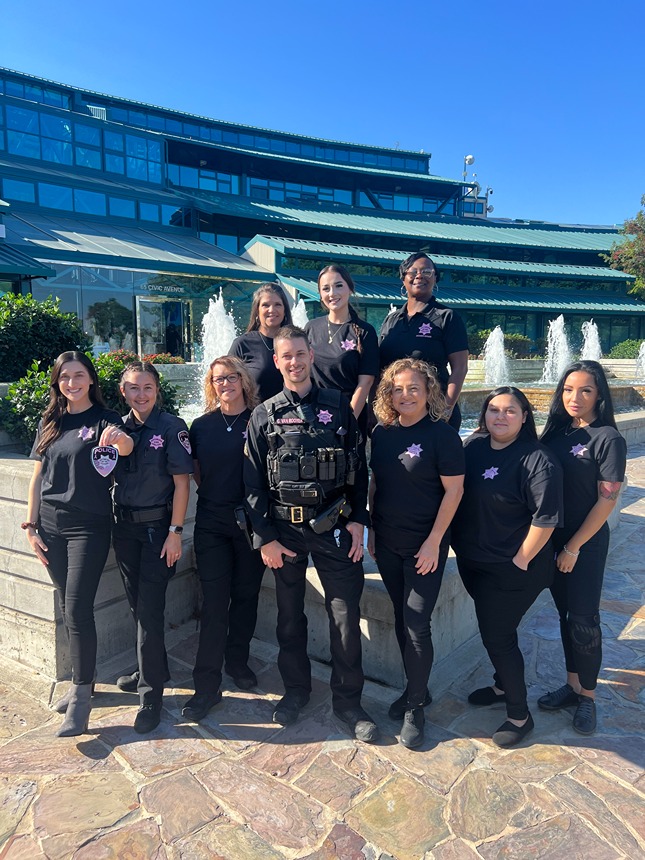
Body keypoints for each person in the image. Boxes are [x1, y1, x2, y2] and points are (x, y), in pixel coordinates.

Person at [244, 325, 379, 742]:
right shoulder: (263, 414)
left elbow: (358, 466)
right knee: (289, 619)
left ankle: (349, 703)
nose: (295, 362)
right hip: (284, 533)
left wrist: (358, 519)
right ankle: (295, 691)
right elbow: (252, 483)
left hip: (334, 526)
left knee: (345, 618)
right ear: (277, 361)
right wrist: (265, 538)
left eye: (300, 354)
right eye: (286, 356)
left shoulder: (338, 407)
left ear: (311, 356)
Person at [24, 351, 133, 736]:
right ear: (57, 382)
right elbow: (37, 477)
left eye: (79, 375)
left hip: (89, 527)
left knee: (77, 608)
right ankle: (81, 683)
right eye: (65, 377)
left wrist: (121, 441)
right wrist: (31, 526)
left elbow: (125, 447)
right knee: (69, 608)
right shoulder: (50, 421)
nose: (72, 383)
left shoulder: (105, 419)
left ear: (91, 379)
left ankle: (82, 696)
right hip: (50, 526)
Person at [451, 386, 563, 747]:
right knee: (495, 630)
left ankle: (519, 715)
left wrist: (520, 560)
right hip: (474, 560)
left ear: (525, 416)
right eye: (494, 409)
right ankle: (502, 686)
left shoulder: (538, 459)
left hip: (515, 567)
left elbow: (545, 519)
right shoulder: (474, 447)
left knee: (498, 636)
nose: (501, 416)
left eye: (510, 410)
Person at [368, 359, 464, 748]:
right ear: (388, 394)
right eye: (397, 389)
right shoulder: (382, 432)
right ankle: (416, 689)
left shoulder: (443, 436)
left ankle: (415, 707)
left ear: (428, 392)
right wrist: (373, 528)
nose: (405, 395)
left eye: (413, 388)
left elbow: (454, 492)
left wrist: (434, 541)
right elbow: (377, 483)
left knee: (416, 625)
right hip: (388, 541)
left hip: (425, 546)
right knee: (400, 617)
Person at [538, 360, 626, 735]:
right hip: (553, 539)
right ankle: (572, 686)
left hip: (584, 543)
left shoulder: (608, 438)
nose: (575, 397)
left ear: (599, 395)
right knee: (565, 615)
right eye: (569, 389)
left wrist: (573, 547)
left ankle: (587, 696)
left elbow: (607, 500)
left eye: (586, 390)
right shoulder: (555, 433)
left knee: (584, 620)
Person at [181, 356, 266, 722]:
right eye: (218, 379)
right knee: (215, 604)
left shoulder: (260, 420)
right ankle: (206, 686)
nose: (225, 384)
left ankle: (238, 661)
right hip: (213, 522)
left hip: (252, 523)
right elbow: (197, 472)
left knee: (246, 597)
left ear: (243, 381)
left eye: (231, 377)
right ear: (211, 385)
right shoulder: (201, 426)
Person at [112, 361, 193, 734]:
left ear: (157, 389)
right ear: (123, 391)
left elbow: (182, 484)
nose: (140, 394)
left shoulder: (171, 427)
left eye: (147, 387)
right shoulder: (116, 429)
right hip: (124, 530)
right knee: (137, 606)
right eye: (133, 387)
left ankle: (150, 696)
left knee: (149, 611)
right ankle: (153, 668)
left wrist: (175, 531)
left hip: (158, 532)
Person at [379, 252, 469, 430]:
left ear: (435, 278)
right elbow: (380, 369)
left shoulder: (447, 317)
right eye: (413, 272)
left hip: (435, 413)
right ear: (403, 279)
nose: (419, 276)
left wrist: (446, 409)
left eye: (427, 272)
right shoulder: (392, 320)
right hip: (396, 412)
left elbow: (460, 368)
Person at [305, 264, 379, 438]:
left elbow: (366, 382)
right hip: (313, 414)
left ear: (350, 289)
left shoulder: (365, 332)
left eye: (338, 286)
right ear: (320, 294)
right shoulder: (311, 328)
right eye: (326, 288)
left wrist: (348, 420)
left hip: (348, 414)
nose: (332, 293)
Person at [229, 282, 293, 402]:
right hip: (255, 413)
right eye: (265, 305)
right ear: (257, 311)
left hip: (293, 412)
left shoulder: (295, 343)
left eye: (278, 304)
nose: (272, 310)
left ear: (285, 310)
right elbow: (228, 385)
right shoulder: (242, 344)